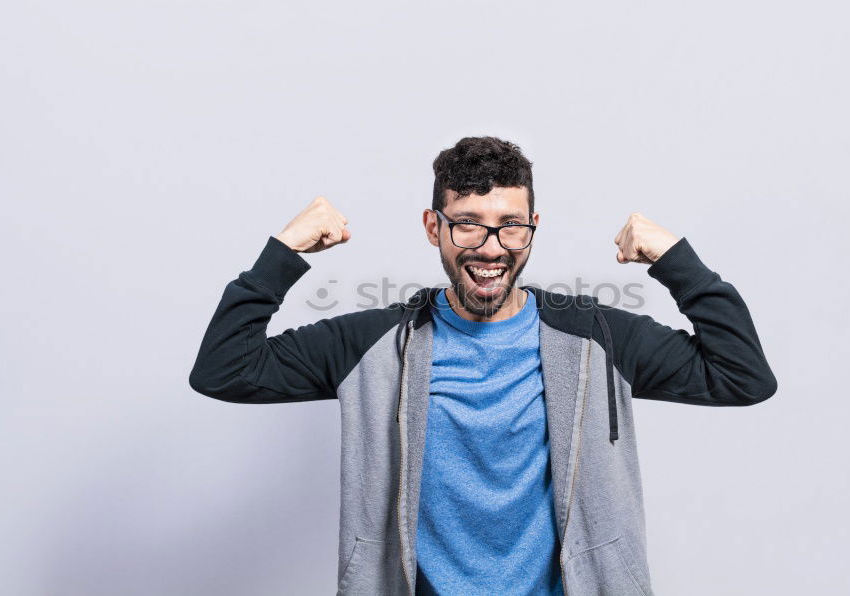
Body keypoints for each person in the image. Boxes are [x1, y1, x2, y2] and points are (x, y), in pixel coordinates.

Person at [188, 136, 778, 595]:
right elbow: (223, 368)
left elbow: (742, 375)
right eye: (468, 223)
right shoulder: (373, 344)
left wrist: (674, 259)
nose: (490, 247)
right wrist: (284, 252)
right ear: (433, 227)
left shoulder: (597, 335)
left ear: (532, 230)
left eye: (510, 227)